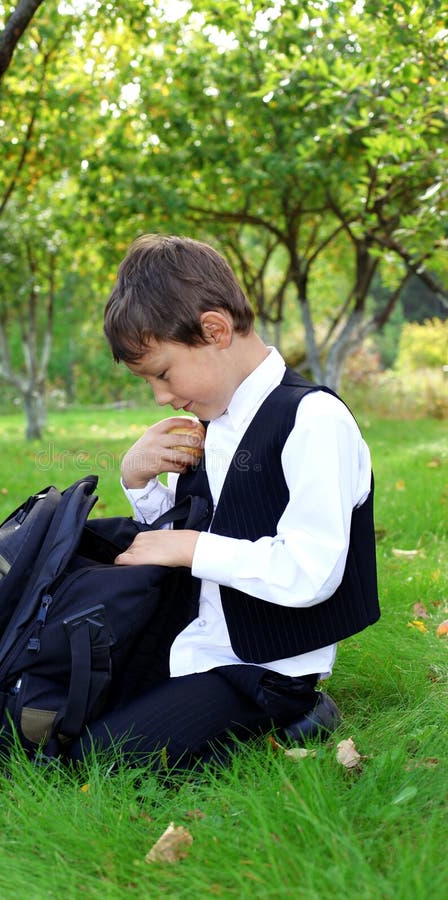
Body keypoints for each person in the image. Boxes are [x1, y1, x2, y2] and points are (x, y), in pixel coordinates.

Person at [68, 233, 379, 771]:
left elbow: (309, 571)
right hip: (195, 635)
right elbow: (202, 527)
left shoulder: (312, 420)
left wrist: (192, 547)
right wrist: (140, 482)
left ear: (214, 330)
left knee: (99, 758)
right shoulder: (214, 420)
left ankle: (301, 712)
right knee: (63, 706)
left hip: (264, 667)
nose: (162, 396)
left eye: (163, 374)